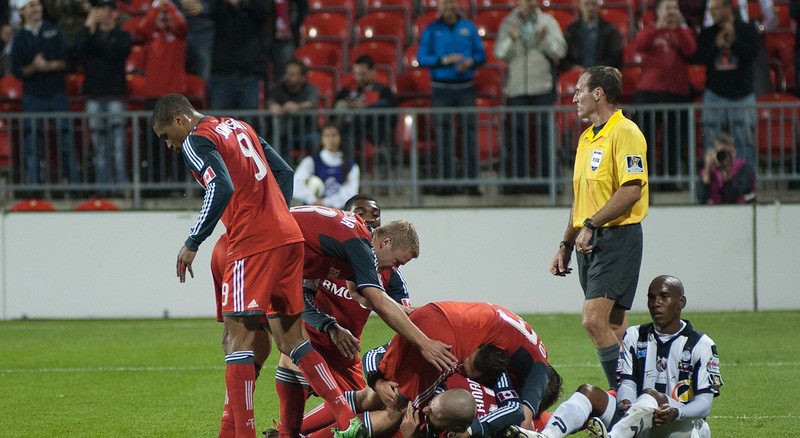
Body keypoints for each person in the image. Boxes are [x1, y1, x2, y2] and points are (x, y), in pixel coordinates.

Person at [151, 94, 369, 438]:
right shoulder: (239, 126)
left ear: (179, 119)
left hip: (251, 243)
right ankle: (345, 416)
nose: (169, 145)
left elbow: (218, 186)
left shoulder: (196, 138)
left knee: (235, 340)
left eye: (165, 136)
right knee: (291, 338)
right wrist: (276, 215)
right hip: (288, 235)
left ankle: (242, 433)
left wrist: (192, 241)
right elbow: (283, 170)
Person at [275, 210, 456, 437]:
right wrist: (424, 343)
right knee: (280, 348)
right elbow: (376, 301)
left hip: (346, 348)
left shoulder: (360, 256)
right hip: (313, 327)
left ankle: (290, 433)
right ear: (385, 242)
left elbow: (368, 298)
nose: (393, 268)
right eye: (397, 261)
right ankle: (282, 431)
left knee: (368, 400)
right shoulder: (352, 246)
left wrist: (426, 317)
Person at [507, 275, 723, 438]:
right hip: (637, 420)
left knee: (652, 395)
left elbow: (705, 403)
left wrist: (677, 411)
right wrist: (626, 401)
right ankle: (546, 436)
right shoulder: (634, 336)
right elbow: (627, 382)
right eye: (651, 297)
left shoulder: (702, 345)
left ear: (681, 302)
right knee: (588, 392)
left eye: (664, 297)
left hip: (683, 427)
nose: (656, 303)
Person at [548, 66, 648, 390]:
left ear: (598, 94)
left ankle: (623, 399)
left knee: (593, 319)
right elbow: (581, 198)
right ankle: (640, 390)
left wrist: (592, 224)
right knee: (614, 324)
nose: (574, 97)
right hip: (588, 240)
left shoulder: (626, 132)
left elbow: (633, 189)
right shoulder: (586, 138)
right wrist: (565, 243)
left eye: (579, 91)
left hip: (617, 237)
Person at [365, 301, 552, 435]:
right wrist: (377, 381)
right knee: (389, 401)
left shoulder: (501, 373)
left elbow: (523, 420)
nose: (457, 367)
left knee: (396, 405)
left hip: (447, 316)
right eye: (462, 365)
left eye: (464, 370)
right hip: (442, 322)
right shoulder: (458, 350)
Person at [494, 0, 566, 193]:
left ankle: (546, 184)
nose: (529, 3)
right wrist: (510, 38)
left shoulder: (548, 22)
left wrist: (544, 40)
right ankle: (516, 184)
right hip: (517, 90)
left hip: (542, 88)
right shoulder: (509, 23)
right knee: (517, 137)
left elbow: (560, 50)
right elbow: (500, 53)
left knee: (545, 137)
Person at [417, 0, 486, 195]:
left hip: (466, 88)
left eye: (451, 3)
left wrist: (470, 62)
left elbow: (481, 55)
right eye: (444, 3)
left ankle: (471, 183)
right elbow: (422, 58)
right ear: (439, 7)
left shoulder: (468, 27)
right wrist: (443, 60)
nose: (448, 6)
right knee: (443, 136)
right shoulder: (431, 29)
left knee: (469, 135)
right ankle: (445, 183)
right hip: (441, 89)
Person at [12, 0, 79, 186]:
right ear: (23, 11)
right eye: (31, 5)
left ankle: (74, 185)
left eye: (38, 4)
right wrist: (34, 67)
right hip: (33, 97)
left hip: (56, 93)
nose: (37, 8)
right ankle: (35, 187)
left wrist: (48, 66)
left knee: (66, 140)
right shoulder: (19, 38)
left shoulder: (55, 30)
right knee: (32, 143)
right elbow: (18, 71)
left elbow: (68, 62)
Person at [633, 0, 695, 185]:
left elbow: (691, 50)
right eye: (667, 8)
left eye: (675, 8)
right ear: (658, 12)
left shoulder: (684, 31)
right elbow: (639, 44)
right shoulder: (650, 29)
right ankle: (644, 181)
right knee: (645, 141)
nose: (671, 12)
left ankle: (670, 181)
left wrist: (680, 28)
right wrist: (657, 27)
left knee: (673, 140)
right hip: (649, 93)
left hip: (676, 93)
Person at [694, 0, 759, 166]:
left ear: (728, 8)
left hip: (742, 95)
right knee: (711, 141)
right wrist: (716, 45)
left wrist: (734, 42)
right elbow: (700, 58)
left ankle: (746, 184)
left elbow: (752, 54)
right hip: (715, 94)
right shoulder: (707, 33)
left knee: (745, 142)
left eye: (716, 9)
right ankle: (711, 180)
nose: (713, 13)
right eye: (711, 9)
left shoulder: (747, 29)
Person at [75, 0, 131, 191]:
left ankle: (120, 187)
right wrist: (88, 28)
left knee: (117, 147)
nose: (102, 13)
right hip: (94, 97)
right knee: (99, 147)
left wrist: (93, 37)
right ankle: (103, 189)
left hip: (115, 96)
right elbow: (75, 53)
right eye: (99, 9)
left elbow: (113, 54)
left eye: (106, 9)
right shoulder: (89, 35)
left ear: (115, 13)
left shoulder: (122, 36)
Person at [208, 0, 267, 110]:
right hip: (222, 72)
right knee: (219, 121)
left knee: (250, 121)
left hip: (250, 73)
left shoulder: (255, 5)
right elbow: (209, 11)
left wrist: (244, 3)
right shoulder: (219, 5)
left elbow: (264, 13)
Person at [334, 55, 395, 151]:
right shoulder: (347, 90)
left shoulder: (383, 91)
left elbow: (388, 107)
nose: (359, 78)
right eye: (356, 74)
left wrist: (365, 107)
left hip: (373, 131)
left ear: (373, 72)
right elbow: (335, 106)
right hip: (348, 130)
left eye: (363, 74)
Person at [292, 124, 360, 208]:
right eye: (327, 135)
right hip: (313, 208)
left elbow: (350, 191)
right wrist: (313, 200)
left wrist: (326, 202)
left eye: (334, 135)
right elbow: (296, 184)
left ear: (340, 138)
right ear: (321, 139)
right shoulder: (310, 161)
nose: (331, 139)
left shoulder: (351, 165)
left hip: (338, 211)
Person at [267, 58, 320, 154]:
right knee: (271, 144)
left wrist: (298, 106)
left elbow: (311, 102)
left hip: (306, 131)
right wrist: (274, 106)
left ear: (302, 77)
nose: (288, 76)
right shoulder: (278, 88)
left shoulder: (310, 88)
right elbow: (270, 101)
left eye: (293, 74)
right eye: (287, 73)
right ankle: (278, 169)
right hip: (285, 133)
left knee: (315, 140)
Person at [560, 0, 623, 72]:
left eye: (593, 4)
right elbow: (563, 57)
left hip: (602, 76)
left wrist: (597, 69)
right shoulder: (571, 30)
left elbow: (615, 57)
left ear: (598, 7)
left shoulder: (610, 30)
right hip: (577, 76)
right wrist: (574, 67)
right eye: (586, 4)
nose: (590, 8)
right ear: (580, 6)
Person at [699, 131, 755, 204]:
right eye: (722, 153)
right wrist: (707, 171)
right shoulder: (708, 171)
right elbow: (701, 199)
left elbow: (733, 198)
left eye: (729, 153)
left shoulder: (744, 169)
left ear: (734, 153)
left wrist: (727, 174)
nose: (725, 157)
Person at [178, 0, 214, 83]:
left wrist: (203, 7)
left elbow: (221, 5)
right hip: (177, 30)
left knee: (203, 77)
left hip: (204, 32)